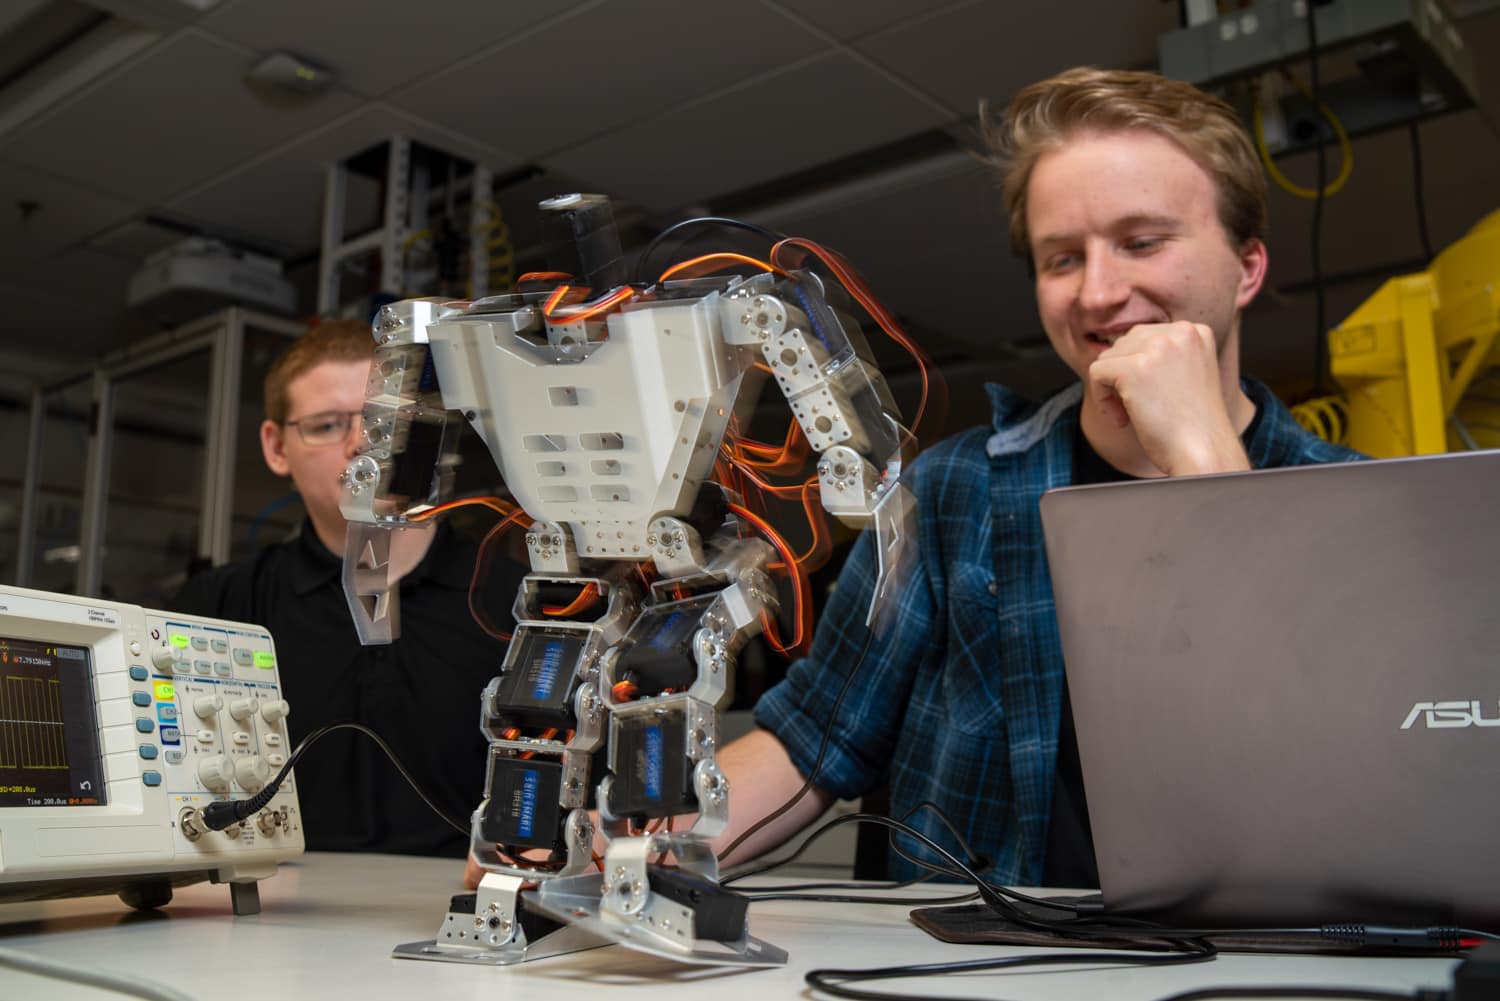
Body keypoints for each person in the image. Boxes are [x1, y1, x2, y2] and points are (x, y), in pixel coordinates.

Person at [709, 66, 1365, 887]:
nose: (1098, 293)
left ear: (1248, 267)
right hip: (999, 958)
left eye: (1142, 241)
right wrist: (606, 849)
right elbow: (814, 739)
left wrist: (1203, 462)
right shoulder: (953, 489)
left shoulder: (1358, 506)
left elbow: (1346, 779)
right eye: (1063, 258)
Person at [175, 320, 526, 857]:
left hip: (472, 912)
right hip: (269, 914)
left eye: (385, 419)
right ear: (276, 446)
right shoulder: (219, 611)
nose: (362, 442)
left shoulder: (525, 607)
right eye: (326, 425)